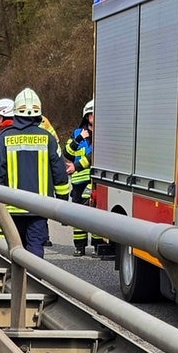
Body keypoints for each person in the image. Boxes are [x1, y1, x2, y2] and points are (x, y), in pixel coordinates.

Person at [0, 87, 69, 258]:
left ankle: (17, 283)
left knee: (14, 250)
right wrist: (62, 203)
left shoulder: (4, 138)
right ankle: (33, 283)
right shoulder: (48, 138)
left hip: (10, 209)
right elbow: (60, 175)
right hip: (39, 209)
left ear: (16, 112)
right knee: (35, 250)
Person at [64, 100, 96, 254]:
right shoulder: (77, 133)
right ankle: (80, 246)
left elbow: (94, 156)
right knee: (78, 217)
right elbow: (67, 153)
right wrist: (78, 140)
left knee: (96, 215)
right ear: (87, 116)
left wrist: (76, 166)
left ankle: (98, 246)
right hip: (78, 182)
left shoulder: (103, 134)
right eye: (92, 114)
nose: (95, 117)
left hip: (94, 181)